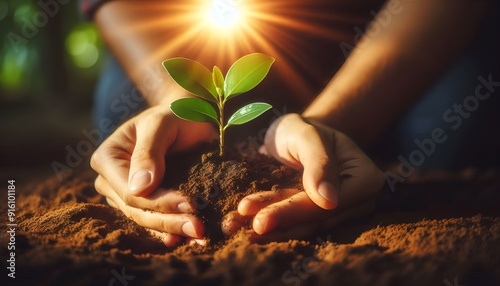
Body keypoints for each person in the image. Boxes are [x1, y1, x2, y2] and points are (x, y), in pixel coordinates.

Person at [84, 0, 497, 247]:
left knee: (463, 118)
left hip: (390, 34)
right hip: (203, 40)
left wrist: (331, 126)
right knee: (124, 112)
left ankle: (363, 148)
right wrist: (180, 100)